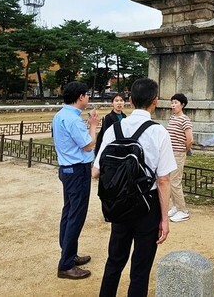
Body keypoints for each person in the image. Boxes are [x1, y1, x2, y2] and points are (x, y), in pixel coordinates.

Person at [92, 78, 177, 297]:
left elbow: (96, 171)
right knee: (141, 267)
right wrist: (165, 219)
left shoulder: (114, 129)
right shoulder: (159, 132)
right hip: (146, 206)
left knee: (114, 260)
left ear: (130, 100)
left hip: (119, 204)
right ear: (155, 101)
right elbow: (164, 180)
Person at [52, 81, 101, 280]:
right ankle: (65, 265)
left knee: (69, 212)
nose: (88, 98)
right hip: (78, 171)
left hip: (67, 169)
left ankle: (69, 254)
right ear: (80, 97)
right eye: (87, 95)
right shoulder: (72, 120)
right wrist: (94, 126)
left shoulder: (60, 115)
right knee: (76, 216)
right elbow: (89, 145)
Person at [166, 93, 193, 223]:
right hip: (170, 153)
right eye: (172, 103)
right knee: (170, 181)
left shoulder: (185, 119)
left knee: (175, 182)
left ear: (182, 105)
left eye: (176, 102)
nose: (173, 105)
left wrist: (184, 150)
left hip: (178, 153)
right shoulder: (172, 118)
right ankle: (176, 206)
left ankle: (183, 210)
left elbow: (190, 139)